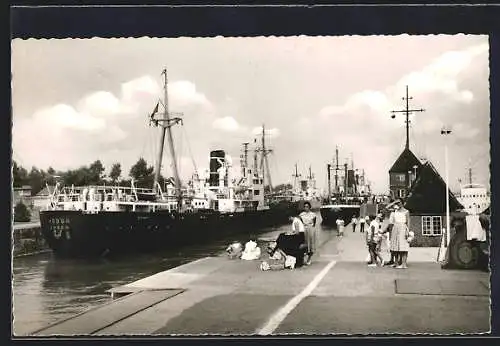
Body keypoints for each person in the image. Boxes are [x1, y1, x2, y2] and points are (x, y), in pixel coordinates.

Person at [386, 199, 410, 269]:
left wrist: (407, 231)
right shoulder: (395, 211)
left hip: (403, 228)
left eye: (399, 203)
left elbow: (408, 222)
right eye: (397, 203)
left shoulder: (406, 211)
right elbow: (386, 208)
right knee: (395, 246)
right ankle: (396, 263)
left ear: (403, 203)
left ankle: (404, 264)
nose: (398, 204)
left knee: (403, 246)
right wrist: (394, 202)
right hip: (395, 228)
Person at [299, 201, 317, 266]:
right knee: (304, 244)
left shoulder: (313, 214)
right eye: (305, 207)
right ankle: (303, 259)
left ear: (309, 207)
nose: (306, 208)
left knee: (311, 244)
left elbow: (314, 223)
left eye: (307, 206)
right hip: (304, 229)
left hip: (310, 229)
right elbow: (300, 223)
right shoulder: (301, 215)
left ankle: (309, 259)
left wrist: (311, 228)